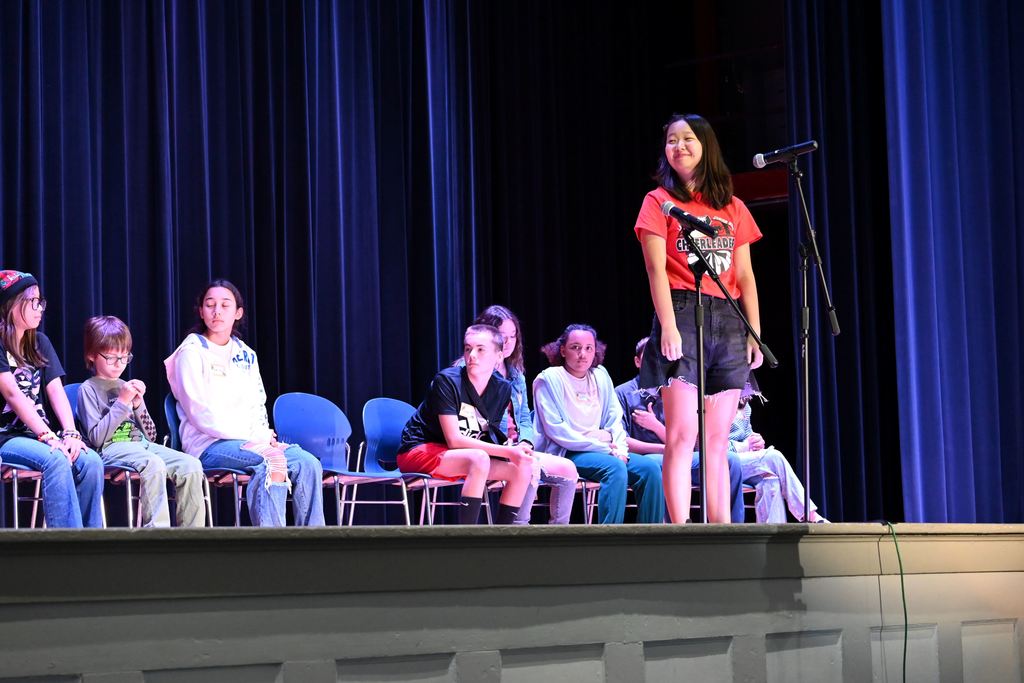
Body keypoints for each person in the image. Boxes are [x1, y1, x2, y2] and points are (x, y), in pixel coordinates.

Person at [635, 113, 764, 523]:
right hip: (682, 311)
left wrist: (753, 331)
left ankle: (721, 531)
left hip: (727, 319)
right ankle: (681, 531)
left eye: (688, 139)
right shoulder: (658, 202)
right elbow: (656, 270)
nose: (679, 146)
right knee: (682, 434)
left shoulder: (732, 207)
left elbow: (744, 275)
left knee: (718, 438)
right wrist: (669, 325)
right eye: (671, 140)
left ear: (706, 146)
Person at [165, 279, 324, 527]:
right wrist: (255, 439)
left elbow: (257, 403)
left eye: (225, 305)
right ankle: (271, 547)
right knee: (273, 460)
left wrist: (262, 434)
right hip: (209, 445)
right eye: (210, 305)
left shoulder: (246, 354)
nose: (217, 311)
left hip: (251, 442)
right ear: (201, 311)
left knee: (309, 464)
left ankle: (316, 544)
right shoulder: (192, 351)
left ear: (237, 313)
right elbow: (200, 413)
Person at [397, 324, 534, 525]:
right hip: (417, 450)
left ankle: (505, 539)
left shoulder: (502, 388)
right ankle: (467, 539)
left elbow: (488, 435)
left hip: (460, 455)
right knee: (478, 459)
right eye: (468, 349)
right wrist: (508, 453)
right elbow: (454, 440)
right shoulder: (448, 380)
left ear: (499, 356)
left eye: (480, 349)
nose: (472, 355)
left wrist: (516, 451)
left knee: (522, 468)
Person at [77, 316, 205, 527]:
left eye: (124, 357)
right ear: (92, 355)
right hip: (110, 448)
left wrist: (138, 405)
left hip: (141, 445)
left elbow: (151, 436)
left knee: (190, 465)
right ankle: (157, 533)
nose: (119, 364)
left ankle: (193, 537)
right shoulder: (88, 389)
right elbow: (97, 438)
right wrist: (121, 403)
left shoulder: (125, 385)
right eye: (110, 357)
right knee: (152, 463)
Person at [0, 270, 104, 527]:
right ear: (12, 305)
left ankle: (90, 544)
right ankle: (66, 548)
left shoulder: (40, 343)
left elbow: (57, 391)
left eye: (40, 301)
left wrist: (70, 433)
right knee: (55, 459)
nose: (40, 308)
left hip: (39, 436)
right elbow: (12, 394)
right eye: (33, 301)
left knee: (90, 461)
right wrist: (48, 437)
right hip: (6, 437)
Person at [532, 324, 664, 524]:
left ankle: (649, 541)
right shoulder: (549, 379)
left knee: (650, 469)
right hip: (565, 452)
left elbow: (614, 419)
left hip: (605, 450)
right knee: (614, 469)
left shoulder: (600, 375)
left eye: (588, 348)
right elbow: (557, 431)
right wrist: (604, 447)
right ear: (562, 350)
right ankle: (610, 541)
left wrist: (620, 448)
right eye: (575, 347)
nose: (582, 354)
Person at [463, 306, 578, 525]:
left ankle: (558, 539)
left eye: (512, 337)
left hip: (516, 447)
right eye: (502, 337)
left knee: (567, 469)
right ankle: (516, 532)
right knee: (527, 465)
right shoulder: (470, 370)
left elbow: (524, 416)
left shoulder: (516, 374)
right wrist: (506, 440)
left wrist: (525, 441)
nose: (507, 343)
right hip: (487, 447)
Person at [615, 336, 746, 522]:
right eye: (650, 359)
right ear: (638, 362)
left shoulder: (682, 386)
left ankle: (733, 527)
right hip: (648, 457)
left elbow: (694, 441)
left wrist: (656, 427)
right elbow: (623, 441)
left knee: (730, 459)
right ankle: (675, 528)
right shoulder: (623, 393)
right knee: (658, 463)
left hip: (684, 452)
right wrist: (662, 448)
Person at [730, 396, 828, 523]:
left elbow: (748, 436)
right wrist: (744, 446)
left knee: (771, 479)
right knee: (774, 457)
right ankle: (808, 513)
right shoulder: (720, 403)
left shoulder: (746, 407)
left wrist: (756, 442)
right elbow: (709, 445)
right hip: (723, 462)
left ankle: (770, 537)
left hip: (741, 463)